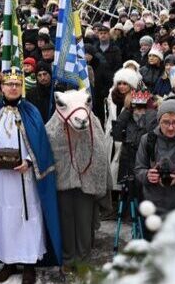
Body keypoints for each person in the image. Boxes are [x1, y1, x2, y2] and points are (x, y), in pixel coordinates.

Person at [0, 67, 62, 283]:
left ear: (21, 87)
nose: (13, 88)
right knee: (3, 218)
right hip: (1, 179)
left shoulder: (31, 111)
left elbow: (41, 145)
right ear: (2, 87)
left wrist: (29, 162)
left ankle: (29, 264)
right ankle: (8, 262)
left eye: (17, 84)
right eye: (9, 84)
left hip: (26, 178)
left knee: (28, 218)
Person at [46, 90, 110, 271]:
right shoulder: (53, 126)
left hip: (87, 180)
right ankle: (68, 258)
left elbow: (99, 151)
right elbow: (49, 149)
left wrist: (95, 178)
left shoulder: (93, 122)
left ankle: (83, 259)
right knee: (65, 219)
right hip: (63, 181)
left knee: (84, 220)